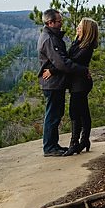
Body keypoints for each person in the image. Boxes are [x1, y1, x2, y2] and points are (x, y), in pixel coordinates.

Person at [37, 9, 87, 157]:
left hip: (55, 81)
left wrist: (52, 69)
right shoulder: (49, 39)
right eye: (59, 21)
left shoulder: (52, 37)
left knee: (55, 114)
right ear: (50, 22)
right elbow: (61, 63)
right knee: (52, 115)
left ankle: (53, 144)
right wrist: (82, 69)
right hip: (52, 84)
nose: (61, 23)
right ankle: (49, 147)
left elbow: (59, 60)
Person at [65, 17, 98, 154]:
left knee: (75, 111)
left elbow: (71, 61)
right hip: (77, 83)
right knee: (82, 111)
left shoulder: (87, 46)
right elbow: (69, 58)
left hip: (81, 83)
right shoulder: (78, 43)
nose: (77, 28)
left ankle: (76, 142)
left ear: (86, 30)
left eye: (80, 26)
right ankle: (83, 140)